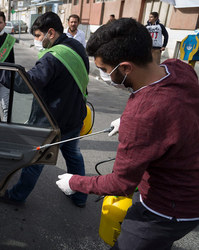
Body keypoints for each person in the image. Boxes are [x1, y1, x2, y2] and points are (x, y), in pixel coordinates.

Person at [56, 18, 199, 249]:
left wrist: (75, 182)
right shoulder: (179, 68)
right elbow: (178, 109)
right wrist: (128, 121)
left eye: (104, 70)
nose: (103, 75)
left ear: (125, 68)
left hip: (165, 210)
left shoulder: (141, 114)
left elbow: (120, 183)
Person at [0, 12, 89, 207]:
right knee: (74, 157)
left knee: (35, 160)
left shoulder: (52, 58)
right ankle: (80, 196)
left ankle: (17, 196)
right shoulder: (76, 47)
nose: (37, 40)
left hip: (52, 120)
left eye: (38, 35)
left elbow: (27, 83)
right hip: (75, 116)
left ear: (50, 33)